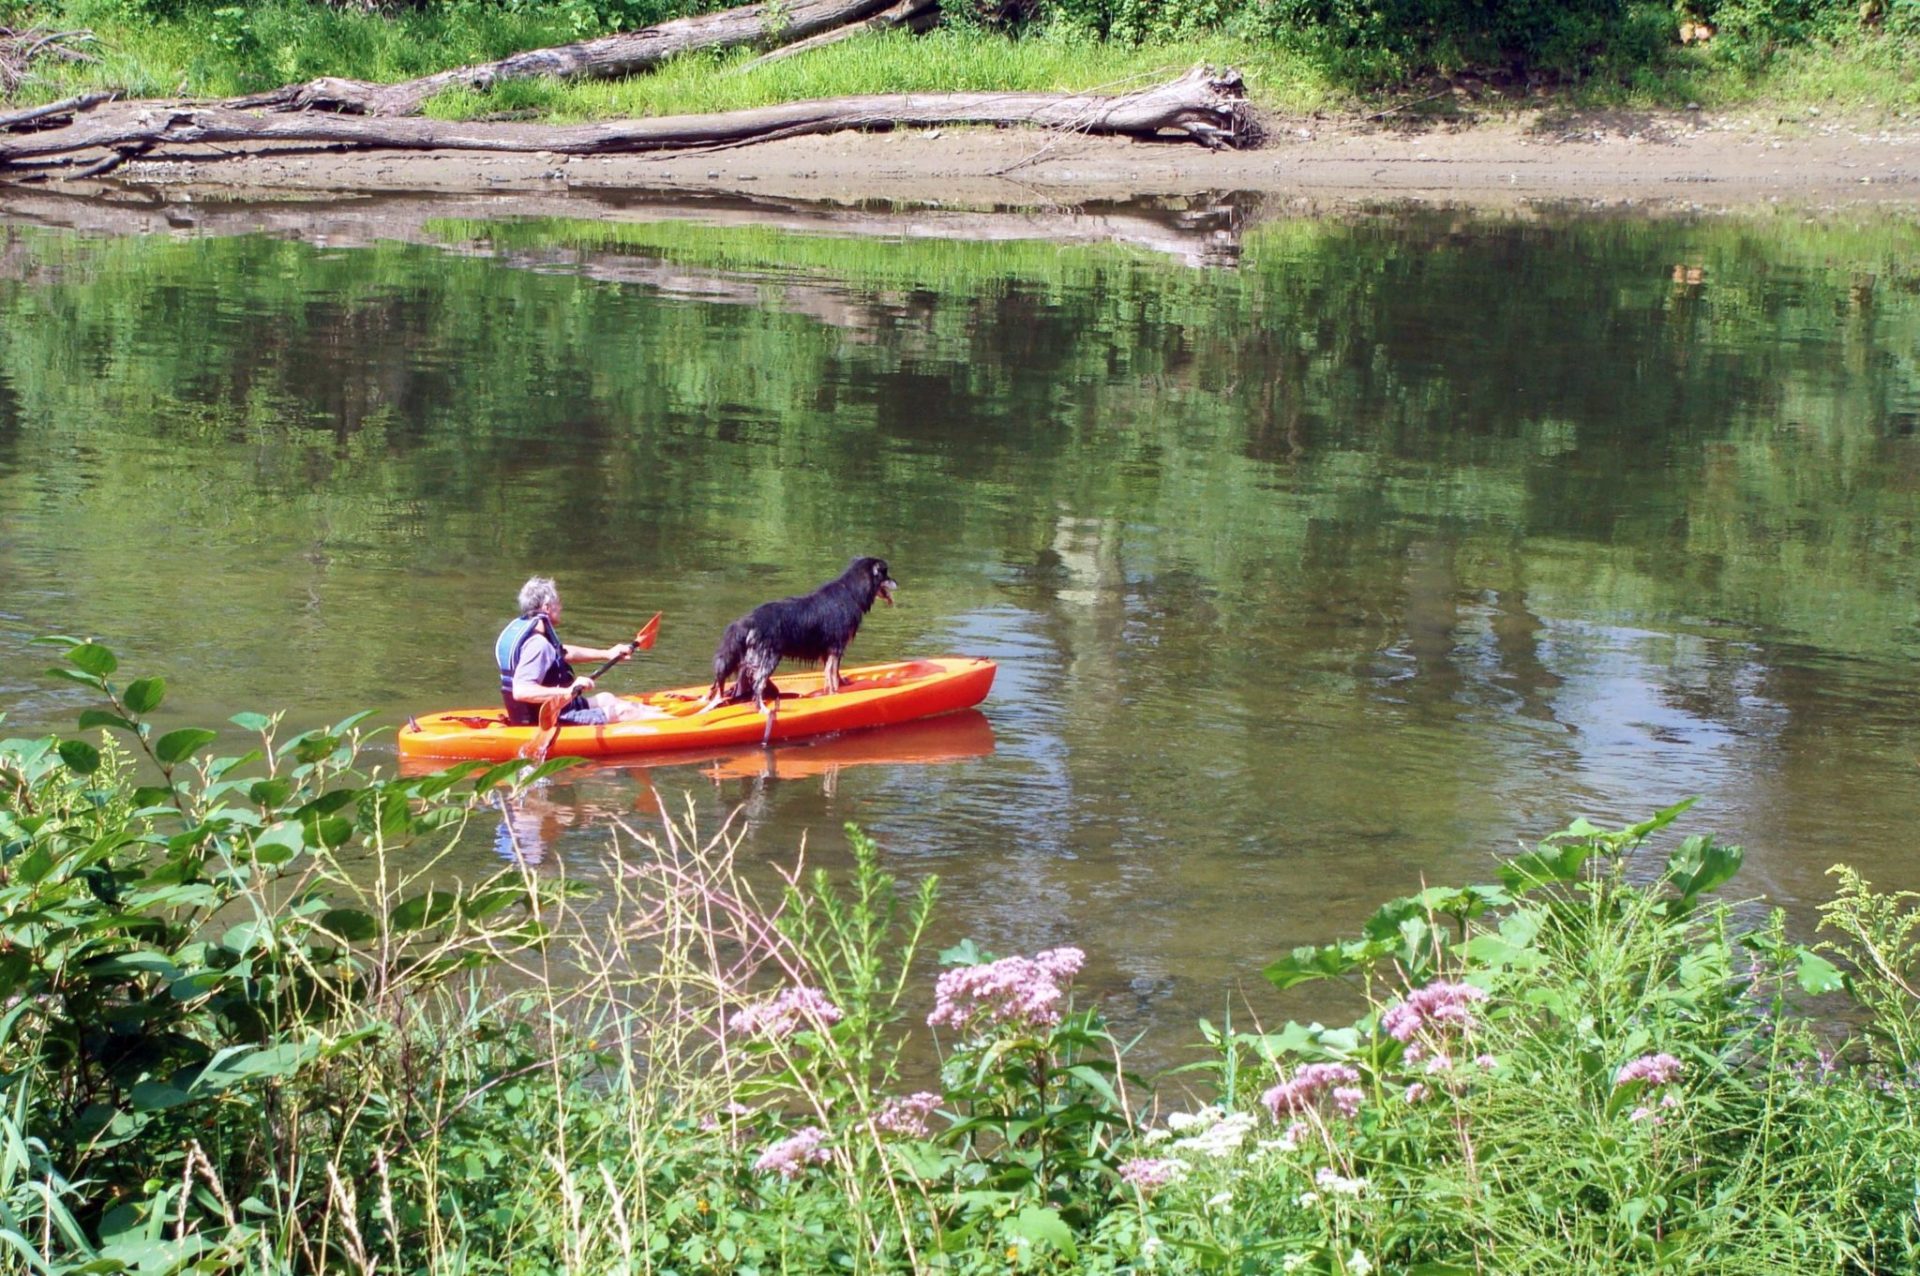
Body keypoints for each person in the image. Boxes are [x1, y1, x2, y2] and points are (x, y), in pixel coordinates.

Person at [495, 577, 666, 726]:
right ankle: (678, 726)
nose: (560, 607)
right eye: (558, 603)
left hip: (549, 709)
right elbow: (521, 690)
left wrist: (607, 653)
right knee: (625, 712)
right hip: (545, 719)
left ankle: (667, 716)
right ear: (547, 607)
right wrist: (569, 691)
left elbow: (562, 653)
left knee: (607, 698)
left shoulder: (531, 633)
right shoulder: (538, 644)